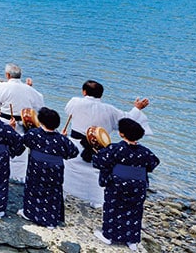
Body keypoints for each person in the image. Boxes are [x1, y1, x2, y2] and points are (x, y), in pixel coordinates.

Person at [63, 80, 151, 206]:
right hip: (99, 149)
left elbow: (68, 110)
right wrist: (137, 109)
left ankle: (65, 192)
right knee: (96, 173)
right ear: (101, 95)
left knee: (69, 168)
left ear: (84, 92)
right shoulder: (110, 110)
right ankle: (96, 201)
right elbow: (127, 120)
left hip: (76, 145)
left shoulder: (75, 102)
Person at [93, 118, 160, 250]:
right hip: (138, 186)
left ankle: (108, 236)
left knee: (113, 208)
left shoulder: (115, 148)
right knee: (134, 211)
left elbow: (99, 162)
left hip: (117, 184)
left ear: (121, 134)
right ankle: (132, 241)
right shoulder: (145, 152)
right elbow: (153, 164)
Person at [19, 107, 79, 228]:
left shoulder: (34, 133)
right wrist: (64, 139)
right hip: (54, 170)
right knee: (52, 192)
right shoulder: (61, 139)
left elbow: (24, 141)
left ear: (40, 121)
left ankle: (29, 213)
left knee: (33, 189)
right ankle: (50, 221)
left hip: (36, 167)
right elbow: (73, 152)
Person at [0, 63, 45, 181]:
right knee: (20, 148)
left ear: (7, 75)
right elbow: (40, 105)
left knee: (2, 146)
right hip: (23, 123)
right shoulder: (29, 90)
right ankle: (18, 176)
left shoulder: (2, 87)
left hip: (5, 121)